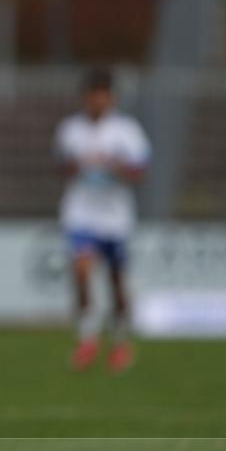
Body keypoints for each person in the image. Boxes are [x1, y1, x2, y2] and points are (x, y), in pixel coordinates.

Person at [54, 68, 150, 373]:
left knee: (116, 281)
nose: (97, 101)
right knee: (81, 270)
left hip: (115, 216)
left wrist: (113, 167)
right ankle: (87, 338)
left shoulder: (126, 130)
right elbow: (62, 167)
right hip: (81, 212)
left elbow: (140, 171)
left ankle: (120, 341)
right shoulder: (70, 129)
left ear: (111, 98)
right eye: (92, 95)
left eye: (102, 95)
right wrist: (80, 166)